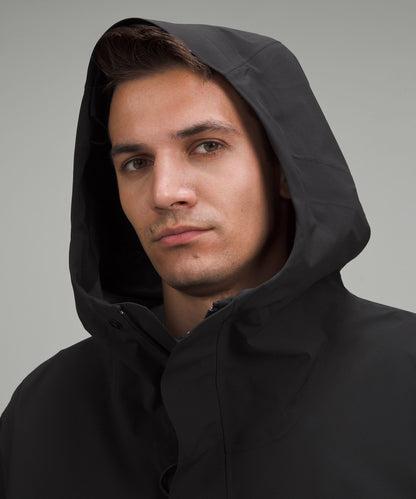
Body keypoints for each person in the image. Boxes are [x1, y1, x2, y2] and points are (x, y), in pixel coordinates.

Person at [0, 17, 415, 498]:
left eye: (206, 147)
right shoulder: (44, 410)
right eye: (136, 162)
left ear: (284, 168)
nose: (164, 192)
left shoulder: (405, 381)